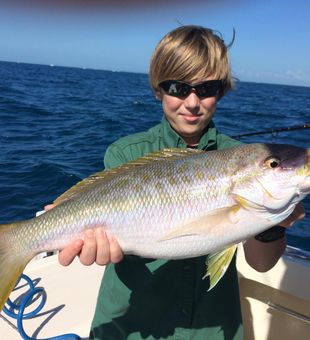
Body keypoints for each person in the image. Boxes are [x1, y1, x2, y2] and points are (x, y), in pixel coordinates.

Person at [49, 25, 305, 339]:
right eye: (178, 88)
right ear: (158, 89)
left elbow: (262, 264)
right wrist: (75, 229)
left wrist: (273, 227)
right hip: (129, 327)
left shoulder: (237, 155)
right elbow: (111, 230)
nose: (193, 102)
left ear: (221, 90)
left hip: (210, 329)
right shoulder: (126, 153)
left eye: (207, 88)